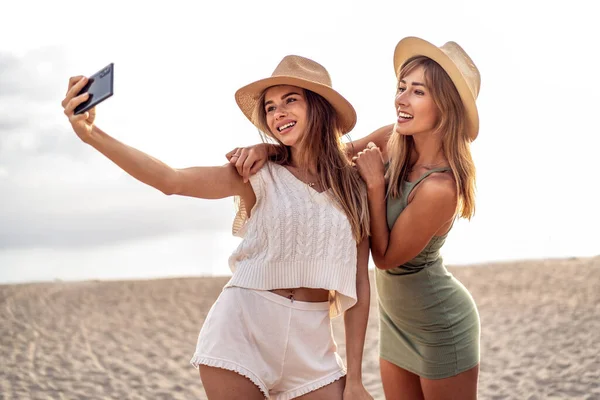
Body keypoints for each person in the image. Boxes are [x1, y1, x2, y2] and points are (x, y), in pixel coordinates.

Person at [61, 55, 373, 400]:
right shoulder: (256, 173)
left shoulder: (356, 185)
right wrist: (91, 135)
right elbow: (171, 180)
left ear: (319, 107)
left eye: (290, 100)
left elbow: (360, 281)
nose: (278, 113)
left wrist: (356, 379)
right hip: (241, 331)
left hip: (314, 349)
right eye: (270, 108)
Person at [227, 37, 482, 399]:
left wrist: (376, 187)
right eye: (401, 88)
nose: (401, 99)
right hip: (396, 321)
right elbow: (318, 155)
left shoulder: (441, 187)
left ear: (446, 105)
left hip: (439, 324)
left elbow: (386, 257)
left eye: (418, 92)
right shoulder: (391, 140)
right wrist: (266, 148)